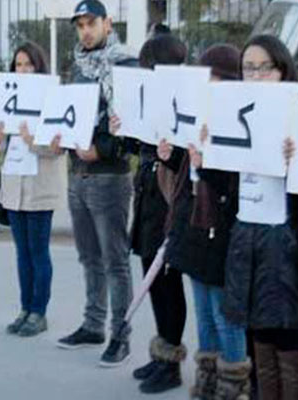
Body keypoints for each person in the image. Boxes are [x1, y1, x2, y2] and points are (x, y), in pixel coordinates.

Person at [201, 35, 298, 400]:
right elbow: (225, 189)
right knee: (258, 338)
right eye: (248, 68)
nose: (255, 75)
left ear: (282, 69)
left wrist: (297, 162)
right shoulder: (235, 113)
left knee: (287, 341)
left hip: (286, 248)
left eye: (264, 67)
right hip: (247, 244)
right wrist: (208, 155)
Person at [156, 44, 247, 399]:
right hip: (193, 226)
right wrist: (171, 157)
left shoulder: (240, 123)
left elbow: (231, 185)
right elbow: (185, 172)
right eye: (205, 79)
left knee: (226, 317)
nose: (209, 87)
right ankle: (207, 382)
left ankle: (232, 385)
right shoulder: (196, 114)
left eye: (217, 79)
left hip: (222, 231)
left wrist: (205, 162)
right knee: (205, 314)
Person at [55, 0, 136, 368]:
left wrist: (100, 150)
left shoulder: (126, 64)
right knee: (89, 257)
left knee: (115, 261)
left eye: (91, 23)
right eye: (80, 25)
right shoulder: (79, 67)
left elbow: (132, 126)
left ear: (107, 23)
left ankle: (121, 334)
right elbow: (71, 115)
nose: (85, 31)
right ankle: (93, 324)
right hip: (78, 175)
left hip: (109, 178)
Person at [115, 34, 188, 394]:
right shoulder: (149, 97)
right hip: (146, 193)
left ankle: (171, 362)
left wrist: (167, 153)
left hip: (168, 197)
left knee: (167, 281)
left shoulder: (183, 97)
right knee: (151, 275)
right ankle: (161, 353)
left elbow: (185, 157)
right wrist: (122, 131)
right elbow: (139, 143)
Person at [0, 42, 63, 337]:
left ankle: (39, 311)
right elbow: (1, 142)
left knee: (38, 250)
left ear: (39, 66)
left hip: (39, 185)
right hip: (13, 183)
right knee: (22, 252)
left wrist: (32, 140)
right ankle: (24, 308)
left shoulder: (51, 98)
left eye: (28, 64)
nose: (23, 70)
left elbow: (59, 148)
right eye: (18, 64)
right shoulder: (6, 97)